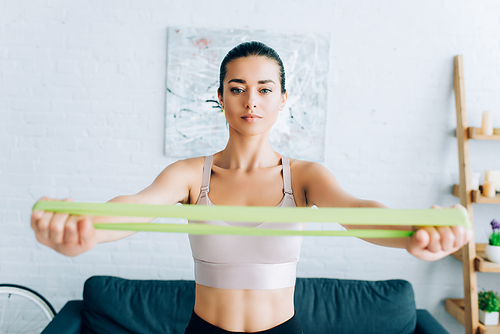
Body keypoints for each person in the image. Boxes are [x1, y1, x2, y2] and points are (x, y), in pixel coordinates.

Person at [31, 41, 471, 334]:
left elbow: (359, 213)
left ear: (282, 99)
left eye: (265, 88)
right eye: (237, 88)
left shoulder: (303, 177)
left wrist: (412, 235)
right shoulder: (189, 175)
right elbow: (132, 209)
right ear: (221, 97)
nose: (251, 100)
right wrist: (84, 230)